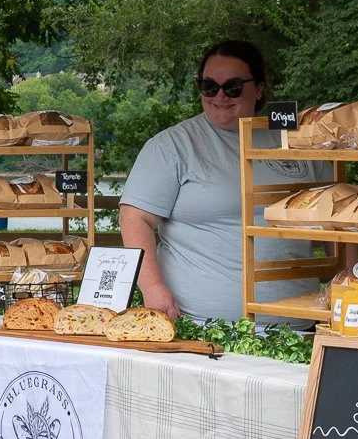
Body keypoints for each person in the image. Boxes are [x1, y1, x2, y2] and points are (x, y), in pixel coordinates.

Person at [119, 40, 330, 321]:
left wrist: (351, 285)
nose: (219, 96)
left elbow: (340, 217)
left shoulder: (299, 140)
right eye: (209, 86)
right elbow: (134, 218)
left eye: (233, 87)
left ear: (259, 88)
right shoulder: (173, 145)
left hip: (300, 325)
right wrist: (152, 287)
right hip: (202, 328)